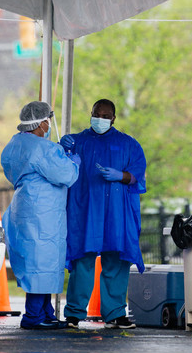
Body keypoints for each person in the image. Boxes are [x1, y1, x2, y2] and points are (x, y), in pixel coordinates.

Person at [60, 99, 147, 329]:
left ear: (114, 118)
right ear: (90, 114)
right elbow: (58, 167)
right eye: (97, 114)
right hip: (85, 211)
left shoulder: (128, 144)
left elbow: (137, 174)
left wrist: (121, 175)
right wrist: (60, 148)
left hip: (116, 213)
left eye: (106, 116)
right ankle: (74, 314)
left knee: (116, 261)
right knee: (83, 260)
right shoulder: (77, 142)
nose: (100, 119)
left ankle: (115, 314)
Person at [2, 100, 80, 330]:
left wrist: (56, 151)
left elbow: (17, 169)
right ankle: (34, 315)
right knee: (42, 261)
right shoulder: (43, 148)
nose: (49, 125)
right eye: (47, 121)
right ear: (41, 123)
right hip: (43, 212)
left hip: (24, 206)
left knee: (37, 261)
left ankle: (45, 312)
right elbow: (65, 175)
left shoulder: (15, 143)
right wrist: (72, 161)